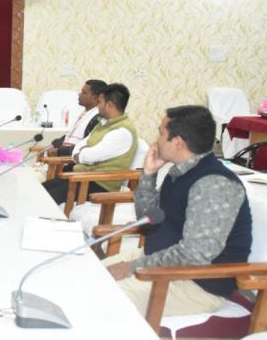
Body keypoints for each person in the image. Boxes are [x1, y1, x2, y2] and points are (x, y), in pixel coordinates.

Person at [106, 105, 252, 316]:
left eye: (161, 133)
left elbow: (194, 255)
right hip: (159, 262)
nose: (157, 139)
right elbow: (148, 222)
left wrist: (131, 267)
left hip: (196, 283)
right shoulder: (180, 172)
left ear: (177, 142)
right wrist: (149, 174)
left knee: (98, 298)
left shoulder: (213, 184)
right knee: (84, 273)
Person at [41, 83, 137, 204]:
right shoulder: (103, 123)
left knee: (44, 201)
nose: (97, 106)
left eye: (100, 102)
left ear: (109, 105)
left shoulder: (122, 132)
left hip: (98, 185)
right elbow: (80, 147)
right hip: (82, 176)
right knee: (39, 191)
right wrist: (83, 153)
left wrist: (83, 154)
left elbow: (88, 156)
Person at [49, 79, 106, 156]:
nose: (79, 95)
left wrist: (60, 151)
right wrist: (58, 142)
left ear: (95, 98)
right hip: (67, 156)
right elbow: (70, 135)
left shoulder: (97, 118)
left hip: (74, 160)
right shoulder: (86, 113)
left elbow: (87, 147)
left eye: (84, 93)